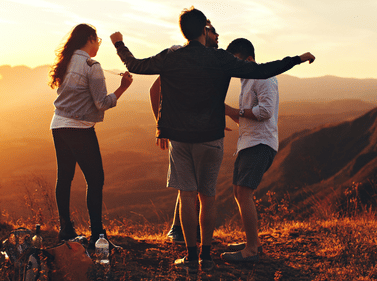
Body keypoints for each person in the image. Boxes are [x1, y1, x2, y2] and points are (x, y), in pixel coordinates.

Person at [110, 7, 315, 273]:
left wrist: (119, 44)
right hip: (211, 137)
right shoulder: (219, 59)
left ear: (184, 30)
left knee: (187, 196)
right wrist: (297, 58)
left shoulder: (171, 57)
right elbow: (263, 70)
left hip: (181, 138)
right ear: (204, 31)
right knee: (208, 197)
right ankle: (207, 256)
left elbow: (136, 65)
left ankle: (191, 258)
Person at [49, 23, 133, 249]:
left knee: (64, 177)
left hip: (58, 125)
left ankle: (65, 230)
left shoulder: (66, 62)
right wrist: (123, 87)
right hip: (80, 128)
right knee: (95, 179)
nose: (98, 46)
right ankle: (98, 236)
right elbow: (102, 103)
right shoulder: (92, 65)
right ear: (90, 39)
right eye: (98, 41)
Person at [149, 20, 220, 244]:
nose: (218, 36)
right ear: (203, 32)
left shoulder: (206, 60)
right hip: (182, 131)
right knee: (189, 186)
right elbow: (155, 88)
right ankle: (179, 231)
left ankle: (186, 233)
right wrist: (161, 125)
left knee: (192, 185)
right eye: (213, 31)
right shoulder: (180, 55)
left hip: (198, 130)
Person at [220, 38, 280, 262]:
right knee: (238, 192)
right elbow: (247, 117)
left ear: (250, 59)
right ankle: (252, 242)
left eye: (236, 61)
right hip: (249, 142)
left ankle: (252, 250)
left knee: (244, 193)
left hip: (260, 143)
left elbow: (264, 111)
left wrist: (235, 110)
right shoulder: (247, 80)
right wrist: (228, 112)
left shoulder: (262, 77)